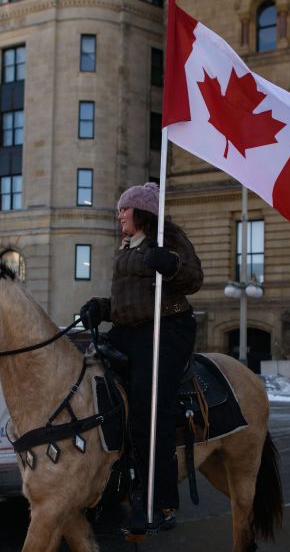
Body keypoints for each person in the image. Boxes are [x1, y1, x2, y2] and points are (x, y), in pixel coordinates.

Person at [80, 182, 203, 533]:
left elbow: (194, 277)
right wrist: (101, 308)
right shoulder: (125, 248)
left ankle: (159, 501)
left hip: (167, 328)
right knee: (96, 389)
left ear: (143, 212)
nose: (119, 214)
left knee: (149, 409)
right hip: (129, 330)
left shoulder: (166, 240)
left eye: (124, 209)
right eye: (119, 209)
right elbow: (127, 301)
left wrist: (171, 264)